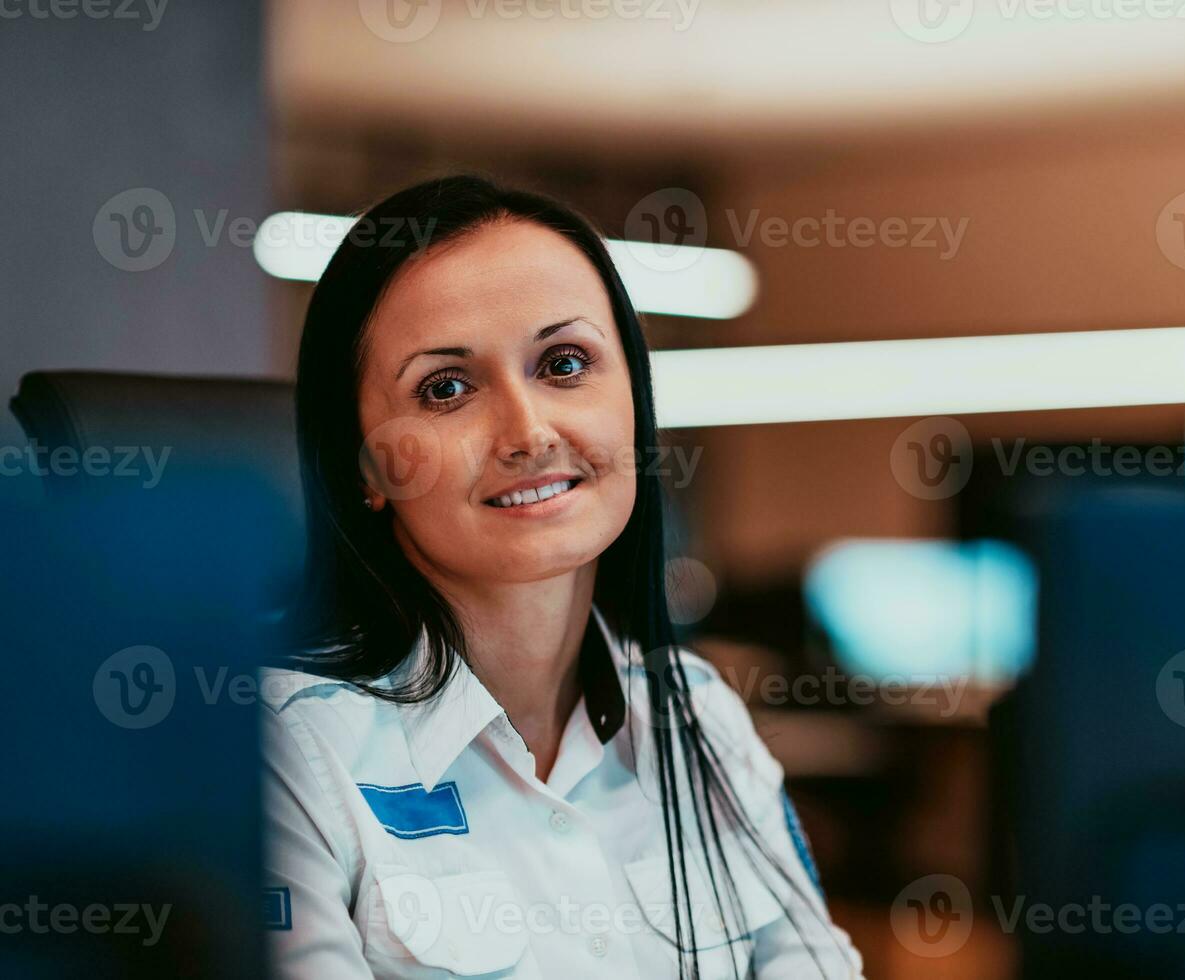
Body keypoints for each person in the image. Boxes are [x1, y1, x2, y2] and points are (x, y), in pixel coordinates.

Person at [261, 174, 865, 979]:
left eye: (565, 362)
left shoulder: (699, 722)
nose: (529, 430)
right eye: (446, 388)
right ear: (364, 463)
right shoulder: (284, 751)